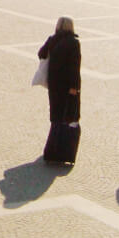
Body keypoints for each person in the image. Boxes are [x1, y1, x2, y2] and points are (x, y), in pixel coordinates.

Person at [38, 17, 81, 151]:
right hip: (67, 84)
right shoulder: (73, 42)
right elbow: (74, 67)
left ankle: (52, 144)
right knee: (68, 113)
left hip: (53, 82)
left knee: (55, 111)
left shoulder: (53, 39)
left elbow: (41, 53)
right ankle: (62, 147)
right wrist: (74, 87)